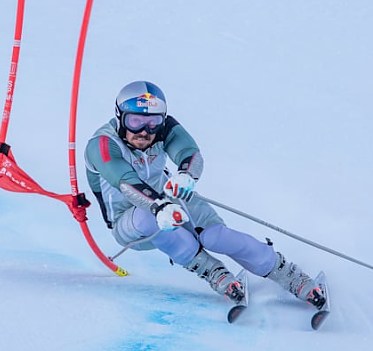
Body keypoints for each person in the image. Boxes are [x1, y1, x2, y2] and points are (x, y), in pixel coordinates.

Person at [84, 80, 326, 311]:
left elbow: (190, 153)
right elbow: (125, 181)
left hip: (169, 199)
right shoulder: (102, 144)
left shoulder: (163, 130)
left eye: (154, 122)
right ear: (120, 117)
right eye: (136, 121)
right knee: (150, 219)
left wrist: (186, 176)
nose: (145, 131)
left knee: (215, 236)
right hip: (131, 224)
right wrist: (158, 207)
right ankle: (212, 271)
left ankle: (291, 276)